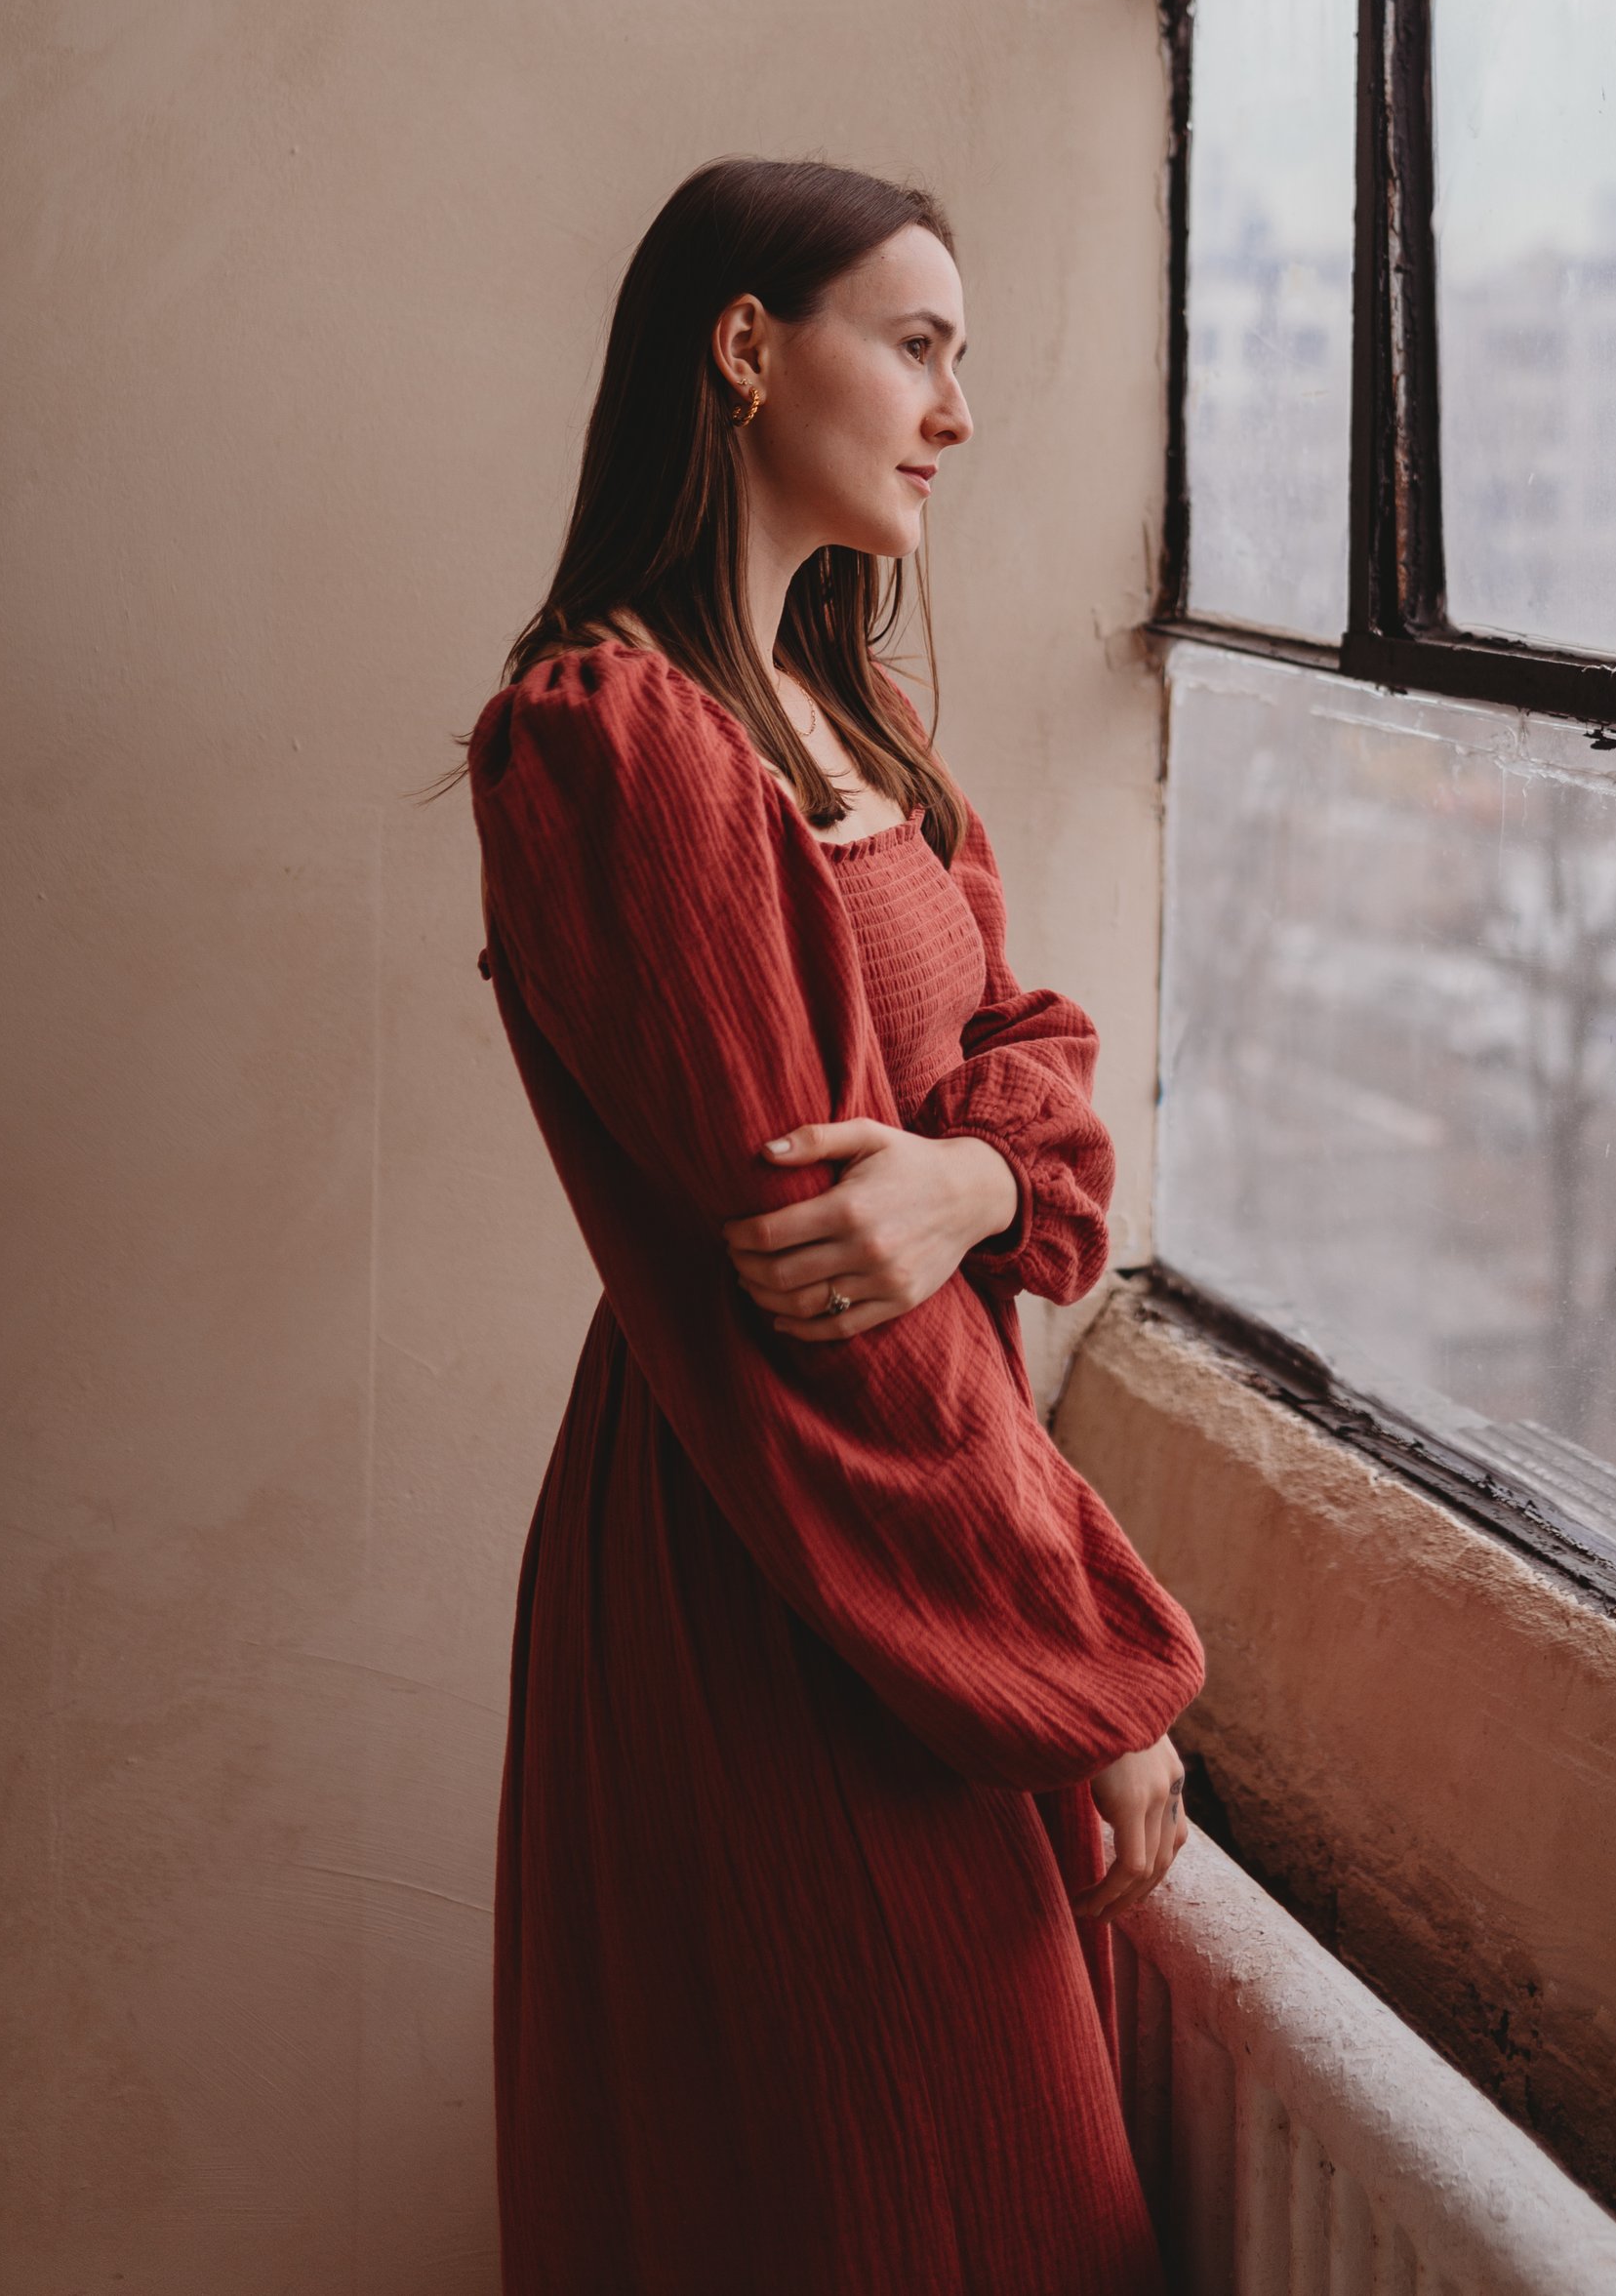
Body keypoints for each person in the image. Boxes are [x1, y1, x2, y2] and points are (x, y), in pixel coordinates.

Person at [465, 157, 1205, 2296]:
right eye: (917, 343)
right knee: (883, 2204)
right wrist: (1092, 1680)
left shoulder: (851, 723)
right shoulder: (613, 742)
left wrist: (973, 1174)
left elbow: (1032, 1053)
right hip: (768, 1549)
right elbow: (832, 1314)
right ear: (742, 345)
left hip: (899, 1550)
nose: (955, 410)